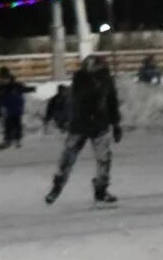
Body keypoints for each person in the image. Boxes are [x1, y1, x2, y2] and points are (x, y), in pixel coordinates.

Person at [45, 53, 123, 206]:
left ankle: (101, 190)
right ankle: (57, 187)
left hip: (99, 125)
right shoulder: (80, 79)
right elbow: (78, 99)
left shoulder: (106, 79)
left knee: (104, 159)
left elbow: (112, 102)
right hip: (80, 125)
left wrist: (116, 124)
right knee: (68, 158)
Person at [0, 67, 37, 150]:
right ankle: (7, 139)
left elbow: (23, 89)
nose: (4, 80)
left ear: (9, 77)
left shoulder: (15, 85)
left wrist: (32, 89)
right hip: (7, 109)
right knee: (7, 124)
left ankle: (18, 139)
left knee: (17, 123)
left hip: (17, 108)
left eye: (5, 78)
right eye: (2, 79)